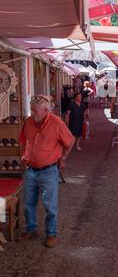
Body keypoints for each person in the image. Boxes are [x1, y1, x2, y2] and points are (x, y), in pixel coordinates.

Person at [20, 95, 75, 248]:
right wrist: (23, 156)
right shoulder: (28, 122)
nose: (32, 113)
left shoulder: (57, 123)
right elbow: (23, 140)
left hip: (48, 171)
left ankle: (51, 233)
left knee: (49, 205)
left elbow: (70, 141)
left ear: (45, 110)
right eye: (31, 110)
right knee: (28, 203)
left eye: (35, 110)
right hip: (30, 170)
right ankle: (31, 229)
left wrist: (63, 157)